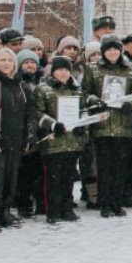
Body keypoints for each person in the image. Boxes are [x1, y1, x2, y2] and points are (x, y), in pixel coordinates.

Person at [83, 35, 132, 218]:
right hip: (102, 125)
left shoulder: (130, 69)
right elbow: (84, 92)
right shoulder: (93, 69)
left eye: (116, 49)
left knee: (120, 167)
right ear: (103, 52)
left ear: (121, 50)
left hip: (123, 126)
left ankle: (117, 202)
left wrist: (130, 104)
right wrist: (95, 101)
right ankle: (105, 203)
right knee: (104, 167)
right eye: (109, 49)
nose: (113, 52)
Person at [0, 48, 37, 232]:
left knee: (11, 179)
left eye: (10, 60)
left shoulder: (23, 86)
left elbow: (30, 113)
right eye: (2, 60)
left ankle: (5, 211)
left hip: (16, 139)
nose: (6, 63)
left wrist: (30, 136)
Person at [33, 56, 86, 224]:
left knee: (68, 177)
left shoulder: (76, 90)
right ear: (53, 71)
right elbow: (37, 112)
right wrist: (52, 124)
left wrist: (81, 124)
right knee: (53, 178)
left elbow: (84, 109)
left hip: (72, 141)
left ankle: (67, 208)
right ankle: (53, 210)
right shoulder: (43, 89)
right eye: (60, 70)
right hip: (53, 141)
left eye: (66, 70)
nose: (63, 73)